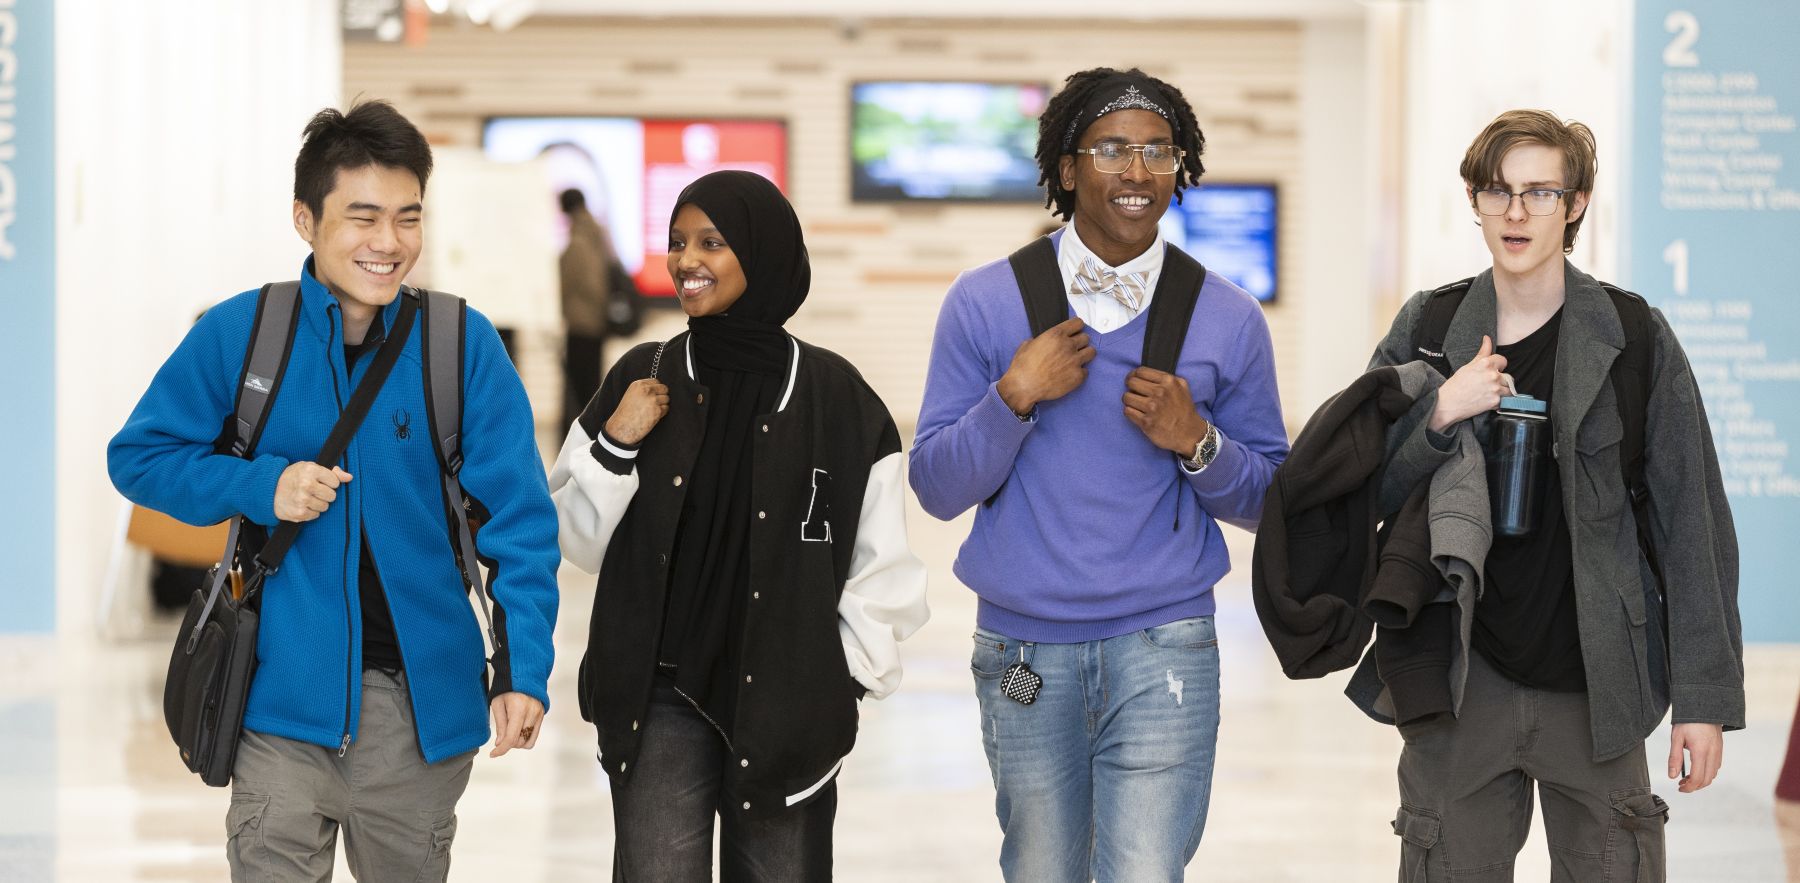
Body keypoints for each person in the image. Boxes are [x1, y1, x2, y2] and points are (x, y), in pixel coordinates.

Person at [107, 100, 559, 882]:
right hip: (278, 702)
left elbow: (518, 522)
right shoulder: (243, 332)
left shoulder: (460, 346)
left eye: (408, 217)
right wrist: (260, 484)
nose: (389, 243)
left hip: (419, 720)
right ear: (305, 219)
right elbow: (139, 456)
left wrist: (524, 668)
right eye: (363, 217)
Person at [910, 67, 1289, 882]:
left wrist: (1198, 442)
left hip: (1167, 646)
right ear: (1069, 167)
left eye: (1159, 150)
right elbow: (936, 488)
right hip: (1023, 650)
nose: (1138, 171)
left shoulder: (1226, 314)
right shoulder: (985, 302)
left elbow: (1273, 499)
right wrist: (1012, 397)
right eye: (1113, 149)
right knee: (1042, 869)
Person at [1366, 109, 1742, 881]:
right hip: (1462, 679)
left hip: (1599, 685)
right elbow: (1362, 479)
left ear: (1574, 205)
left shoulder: (1636, 336)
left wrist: (1704, 698)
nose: (1515, 211)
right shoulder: (1430, 327)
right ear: (1472, 198)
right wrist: (1441, 410)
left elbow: (1691, 520)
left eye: (1539, 192)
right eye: (1498, 190)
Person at [549, 169, 929, 881]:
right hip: (657, 700)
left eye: (711, 241)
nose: (686, 259)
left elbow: (883, 568)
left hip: (790, 704)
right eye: (677, 241)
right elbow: (574, 539)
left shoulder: (839, 400)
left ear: (765, 252)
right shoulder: (641, 373)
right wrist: (616, 443)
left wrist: (840, 681)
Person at [558, 186, 617, 432]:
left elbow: (591, 285)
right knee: (591, 385)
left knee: (580, 390)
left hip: (582, 324)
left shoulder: (580, 239)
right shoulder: (597, 233)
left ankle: (583, 437)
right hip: (596, 323)